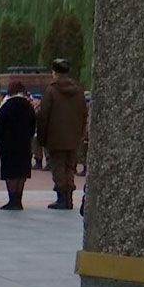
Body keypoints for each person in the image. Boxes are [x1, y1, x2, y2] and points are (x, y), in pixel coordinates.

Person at [37, 59, 89, 210]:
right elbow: (84, 113)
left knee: (58, 167)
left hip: (55, 136)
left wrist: (42, 136)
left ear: (55, 73)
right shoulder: (78, 90)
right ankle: (69, 198)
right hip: (73, 136)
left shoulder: (51, 91)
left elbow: (44, 115)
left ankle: (62, 198)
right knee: (70, 167)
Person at [0, 80, 37, 210]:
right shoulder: (28, 106)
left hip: (8, 143)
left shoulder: (6, 106)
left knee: (10, 171)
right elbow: (33, 124)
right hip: (24, 143)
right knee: (21, 171)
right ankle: (19, 199)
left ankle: (12, 199)